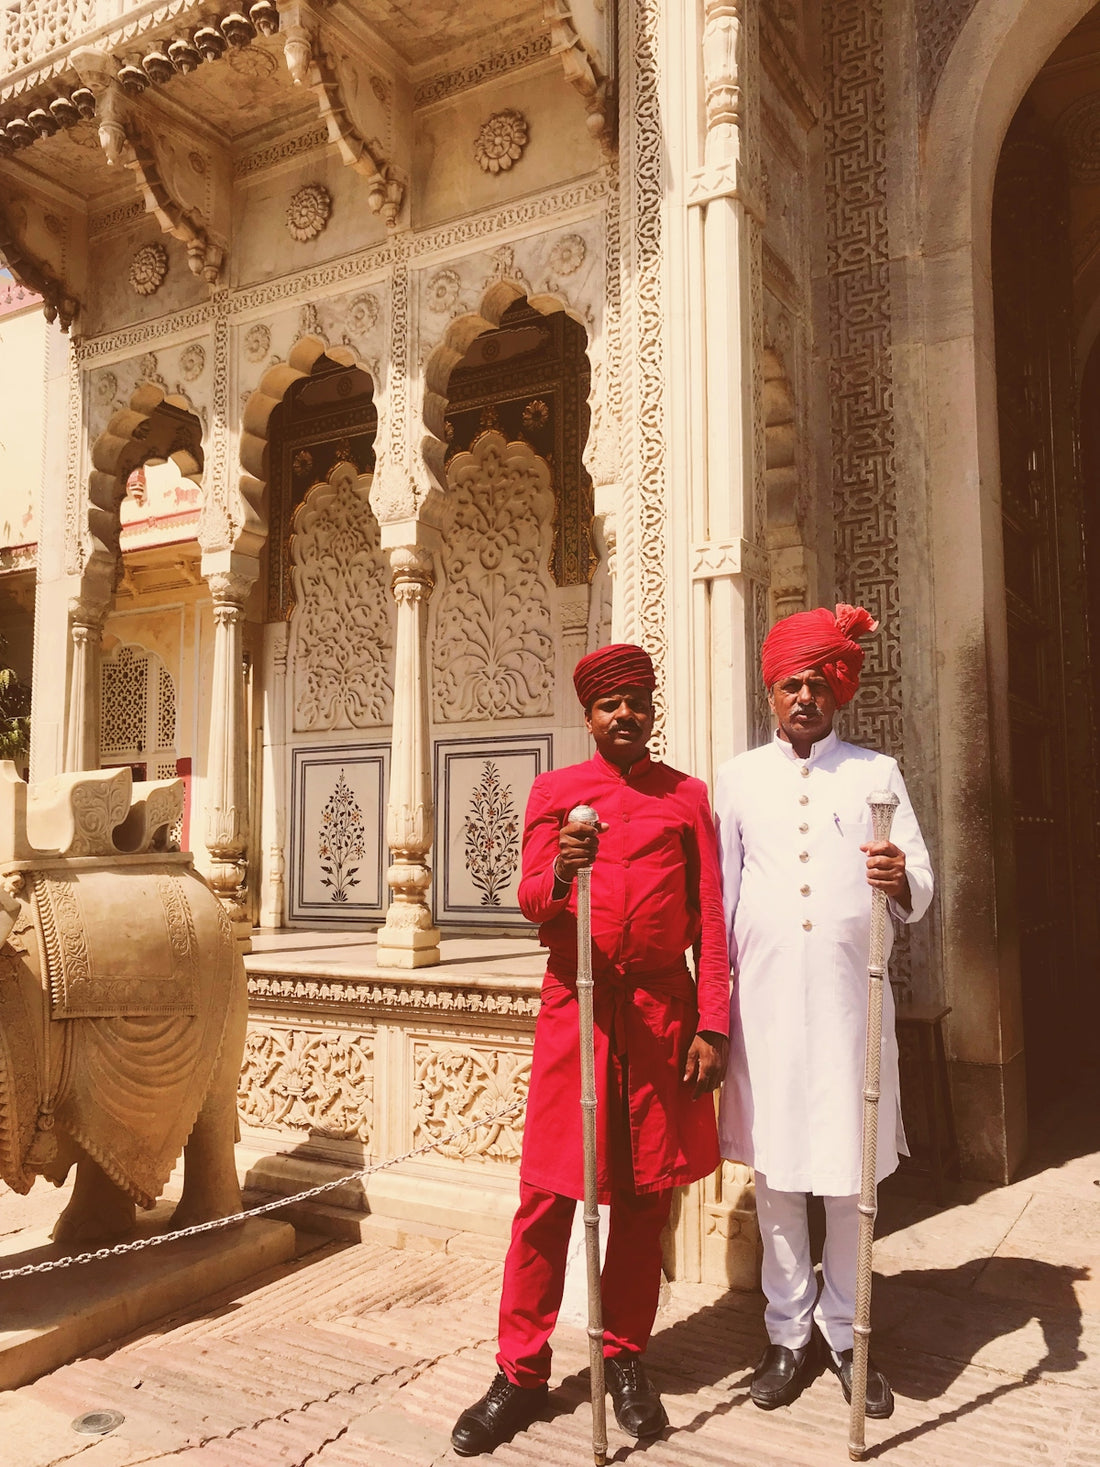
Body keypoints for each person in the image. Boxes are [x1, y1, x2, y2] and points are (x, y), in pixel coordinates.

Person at [451, 643, 731, 1456]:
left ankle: (624, 1356)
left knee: (645, 1197)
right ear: (589, 715)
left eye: (637, 702)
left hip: (660, 1016)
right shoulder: (555, 792)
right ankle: (521, 1371)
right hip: (575, 1008)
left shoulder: (685, 798)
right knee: (547, 1195)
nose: (625, 716)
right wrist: (565, 870)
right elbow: (530, 898)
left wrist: (712, 1024)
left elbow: (709, 920)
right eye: (611, 705)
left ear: (651, 710)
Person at [714, 604, 933, 1418]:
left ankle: (847, 1333)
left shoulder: (877, 774)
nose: (803, 695)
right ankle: (788, 1335)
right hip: (766, 1005)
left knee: (848, 1169)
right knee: (776, 1171)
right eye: (789, 683)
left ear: (837, 691)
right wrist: (717, 1006)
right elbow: (723, 896)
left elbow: (922, 884)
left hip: (850, 1004)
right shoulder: (737, 779)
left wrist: (896, 875)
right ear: (771, 691)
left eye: (817, 682)